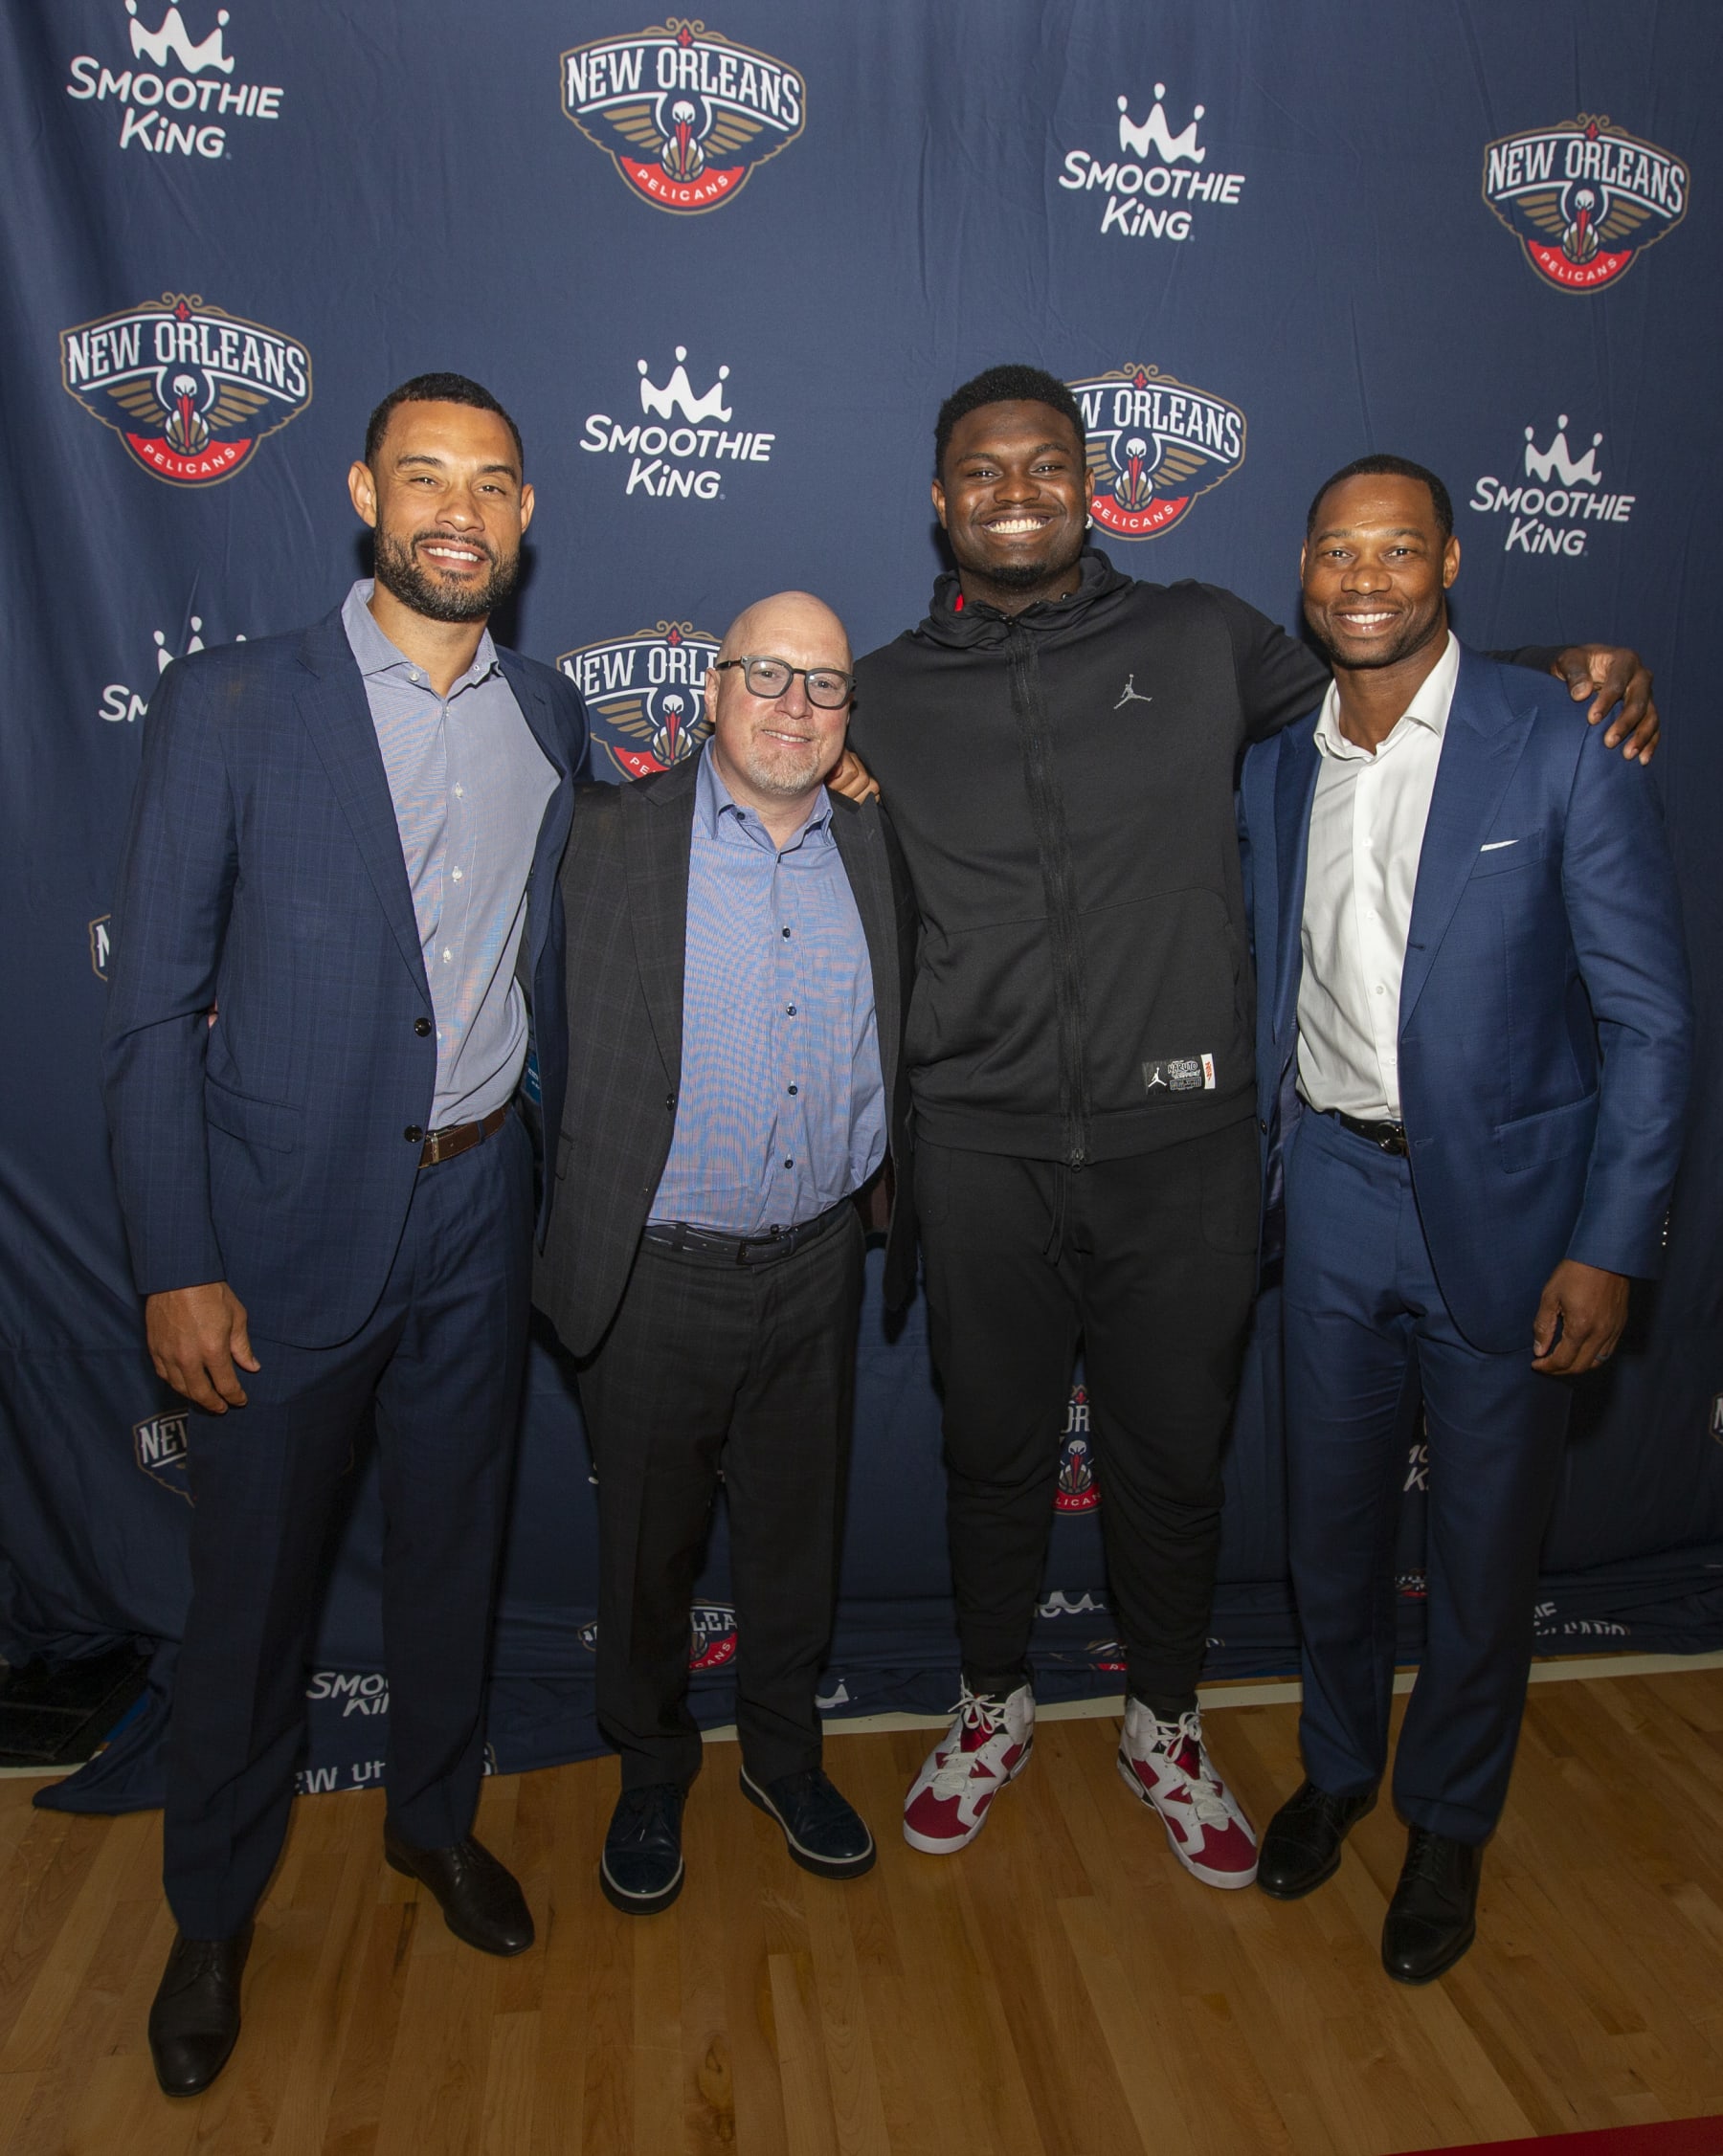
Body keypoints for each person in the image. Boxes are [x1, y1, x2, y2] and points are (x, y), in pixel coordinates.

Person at [841, 363, 1661, 1888]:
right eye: (981, 470)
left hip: (1188, 1155)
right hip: (977, 1146)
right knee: (995, 1456)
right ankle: (993, 1699)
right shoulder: (880, 690)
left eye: (1043, 465)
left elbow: (1397, 694)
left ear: (1091, 485)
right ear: (940, 498)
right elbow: (771, 786)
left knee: (1175, 1460)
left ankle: (1162, 1716)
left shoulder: (1203, 636)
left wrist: (1569, 665)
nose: (1014, 491)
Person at [101, 374, 588, 2095]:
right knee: (249, 1607)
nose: (462, 510)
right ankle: (216, 1914)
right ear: (370, 498)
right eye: (428, 478)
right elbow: (154, 1011)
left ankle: (432, 1823)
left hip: (479, 1210)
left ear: (527, 520)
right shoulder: (233, 701)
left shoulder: (551, 712)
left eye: (496, 484)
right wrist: (175, 1257)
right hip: (277, 1230)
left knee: (458, 1553)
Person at [1241, 456, 1689, 1979]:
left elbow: (1652, 1025)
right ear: (1302, 567)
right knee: (1331, 1527)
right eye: (1337, 552)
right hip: (1332, 1194)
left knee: (1488, 1550)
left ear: (1449, 565)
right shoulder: (1278, 760)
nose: (1364, 578)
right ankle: (1341, 1768)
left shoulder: (1562, 735)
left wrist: (1612, 1241)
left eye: (1398, 551)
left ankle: (1447, 1820)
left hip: (1512, 1216)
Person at [534, 591, 917, 1913]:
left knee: (796, 1545)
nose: (794, 706)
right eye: (767, 675)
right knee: (646, 1555)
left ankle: (785, 1757)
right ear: (711, 687)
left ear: (849, 714)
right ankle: (650, 1773)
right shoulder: (598, 835)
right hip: (655, 1273)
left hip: (820, 1264)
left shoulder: (877, 838)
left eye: (824, 686)